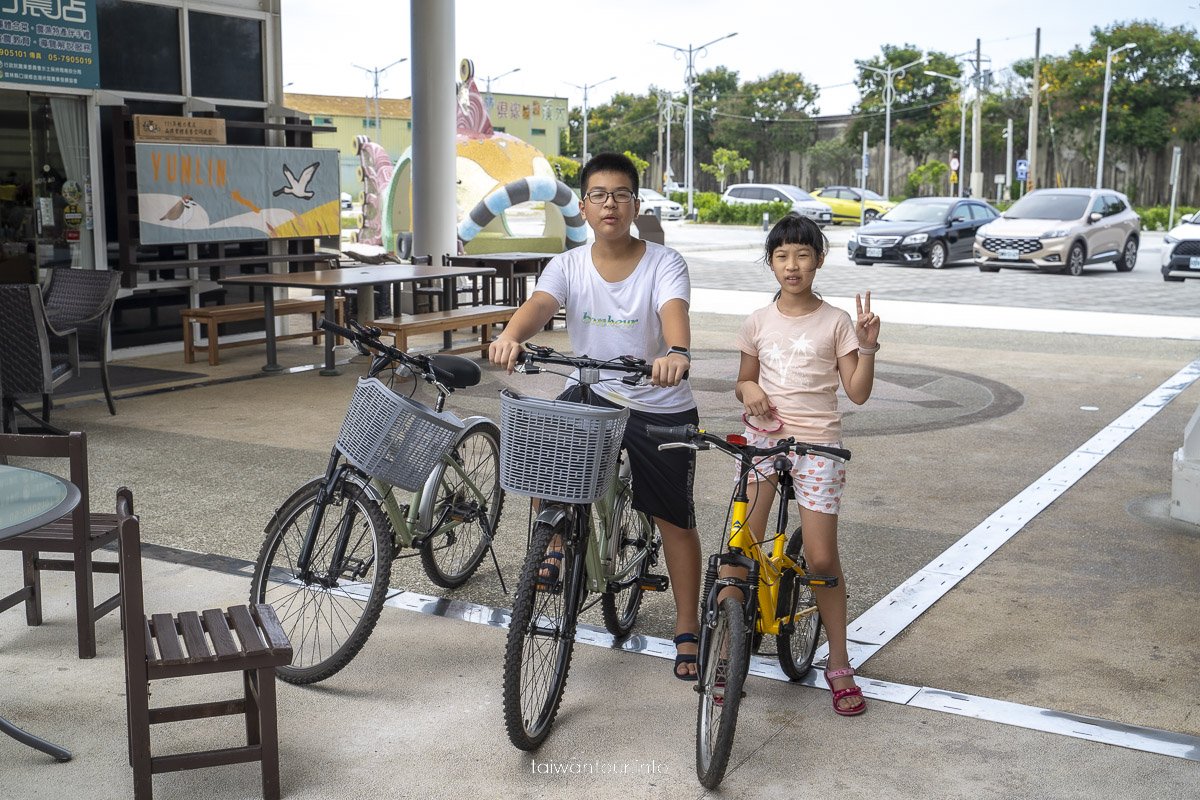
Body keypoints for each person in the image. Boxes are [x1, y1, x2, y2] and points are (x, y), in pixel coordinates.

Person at [489, 151, 701, 680]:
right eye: (599, 195)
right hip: (591, 392)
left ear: (635, 204)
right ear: (583, 206)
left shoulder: (663, 262)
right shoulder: (567, 263)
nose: (611, 204)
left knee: (673, 520)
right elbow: (540, 304)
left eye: (622, 195)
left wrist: (676, 353)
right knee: (544, 446)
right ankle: (555, 541)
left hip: (657, 400)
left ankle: (688, 625)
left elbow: (673, 312)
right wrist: (512, 335)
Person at [733, 212, 879, 715]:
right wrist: (749, 390)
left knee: (819, 560)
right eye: (781, 255)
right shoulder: (758, 319)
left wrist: (868, 345)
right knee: (742, 544)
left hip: (819, 444)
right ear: (770, 263)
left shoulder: (836, 321)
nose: (791, 265)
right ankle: (729, 649)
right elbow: (744, 379)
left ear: (818, 259)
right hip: (765, 440)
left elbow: (857, 393)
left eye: (802, 254)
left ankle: (839, 661)